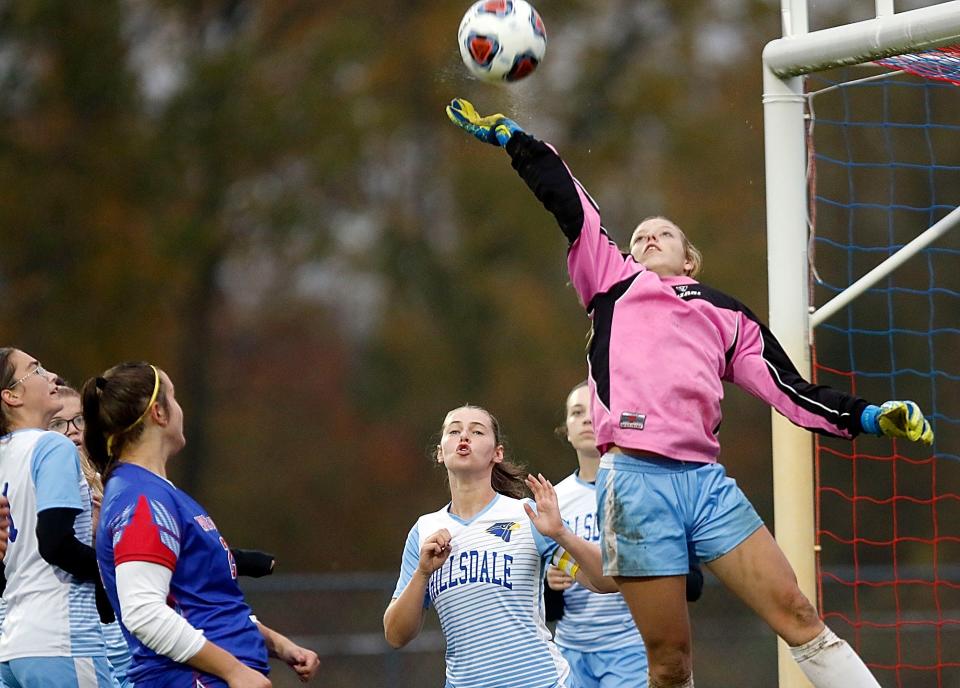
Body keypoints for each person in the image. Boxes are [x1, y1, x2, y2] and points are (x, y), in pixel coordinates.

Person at [445, 99, 935, 688]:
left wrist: (873, 416)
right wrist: (519, 144)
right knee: (671, 665)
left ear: (689, 257)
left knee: (800, 614)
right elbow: (572, 205)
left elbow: (792, 393)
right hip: (634, 484)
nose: (648, 236)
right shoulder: (613, 283)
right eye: (638, 235)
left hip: (705, 482)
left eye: (663, 232)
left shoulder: (727, 314)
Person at [83, 362, 319, 688]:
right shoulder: (142, 500)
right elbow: (144, 613)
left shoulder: (157, 493)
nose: (180, 409)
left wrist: (275, 643)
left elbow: (201, 600)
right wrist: (234, 670)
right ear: (159, 413)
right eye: (173, 397)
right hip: (193, 679)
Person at [383, 404, 618, 688]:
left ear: (498, 453)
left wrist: (560, 533)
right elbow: (396, 635)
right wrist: (422, 573)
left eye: (477, 431)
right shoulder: (425, 531)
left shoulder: (527, 515)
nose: (464, 437)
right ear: (440, 452)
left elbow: (607, 581)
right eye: (454, 430)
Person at [546, 381, 703, 688]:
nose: (587, 419)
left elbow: (693, 585)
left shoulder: (650, 488)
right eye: (577, 412)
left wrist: (647, 561)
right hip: (571, 654)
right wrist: (550, 585)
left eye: (595, 410)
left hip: (633, 648)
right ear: (565, 429)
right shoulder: (553, 500)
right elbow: (547, 610)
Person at [0, 347, 115, 687]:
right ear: (11, 396)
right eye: (35, 370)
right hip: (63, 638)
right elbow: (55, 544)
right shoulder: (53, 446)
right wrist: (115, 571)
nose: (50, 376)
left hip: (13, 644)